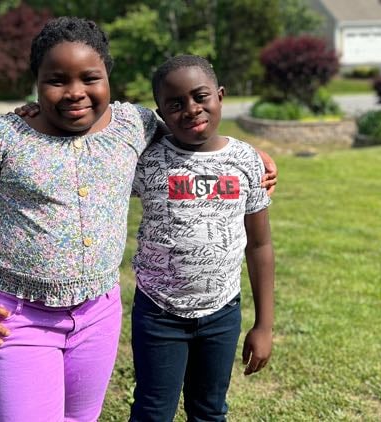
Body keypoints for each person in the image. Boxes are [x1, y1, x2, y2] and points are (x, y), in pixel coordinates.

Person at [0, 16, 276, 422]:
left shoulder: (133, 125)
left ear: (107, 77)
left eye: (89, 78)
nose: (75, 92)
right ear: (36, 81)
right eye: (56, 80)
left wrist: (250, 160)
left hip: (98, 316)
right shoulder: (7, 138)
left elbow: (195, 130)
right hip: (19, 317)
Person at [128, 54, 275, 422]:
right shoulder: (146, 161)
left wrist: (264, 325)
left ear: (220, 96)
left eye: (200, 96)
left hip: (221, 313)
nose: (191, 109)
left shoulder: (246, 160)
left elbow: (260, 246)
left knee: (209, 411)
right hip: (158, 313)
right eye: (175, 104)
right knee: (152, 411)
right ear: (160, 113)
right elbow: (96, 137)